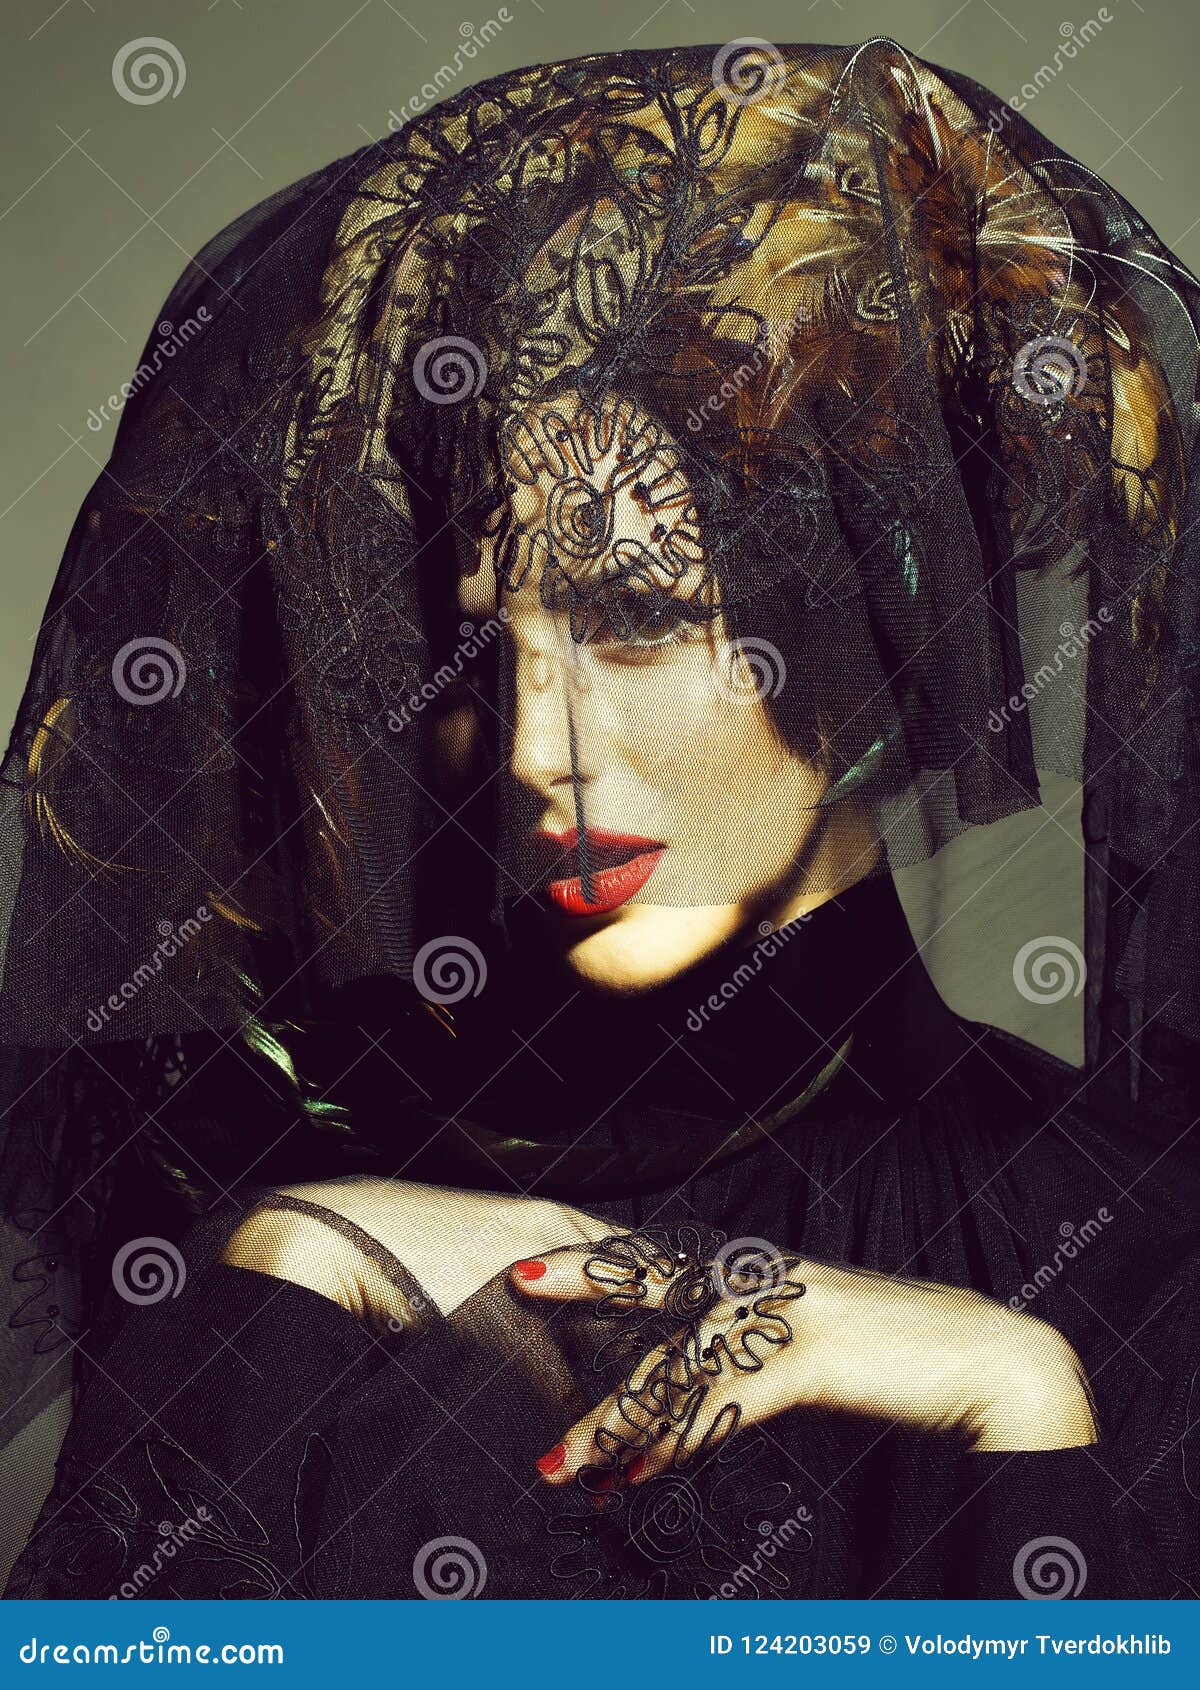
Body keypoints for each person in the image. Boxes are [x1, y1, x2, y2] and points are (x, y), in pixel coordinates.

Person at [1, 38, 1198, 1601]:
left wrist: (1014, 1390)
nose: (533, 750)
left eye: (635, 619)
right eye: (471, 651)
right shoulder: (283, 1235)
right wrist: (289, 1257)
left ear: (864, 642)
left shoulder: (1132, 1244)